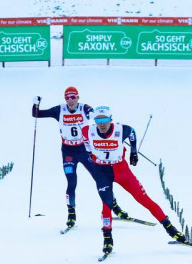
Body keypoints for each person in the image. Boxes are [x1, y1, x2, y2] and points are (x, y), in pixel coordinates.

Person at [81, 106, 187, 255]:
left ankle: (170, 229)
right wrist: (89, 154)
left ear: (111, 119)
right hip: (102, 171)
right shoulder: (88, 131)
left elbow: (132, 132)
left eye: (105, 120)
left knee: (143, 198)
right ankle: (107, 239)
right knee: (106, 205)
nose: (102, 124)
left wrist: (133, 152)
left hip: (121, 170)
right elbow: (85, 141)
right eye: (99, 120)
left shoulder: (121, 129)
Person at [31, 87, 127, 231]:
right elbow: (36, 114)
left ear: (78, 97)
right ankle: (71, 213)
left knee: (101, 179)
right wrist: (35, 104)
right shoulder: (59, 110)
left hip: (84, 150)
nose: (70, 100)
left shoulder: (84, 108)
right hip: (68, 151)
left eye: (73, 97)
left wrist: (94, 118)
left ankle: (114, 206)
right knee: (71, 181)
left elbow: (93, 113)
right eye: (67, 97)